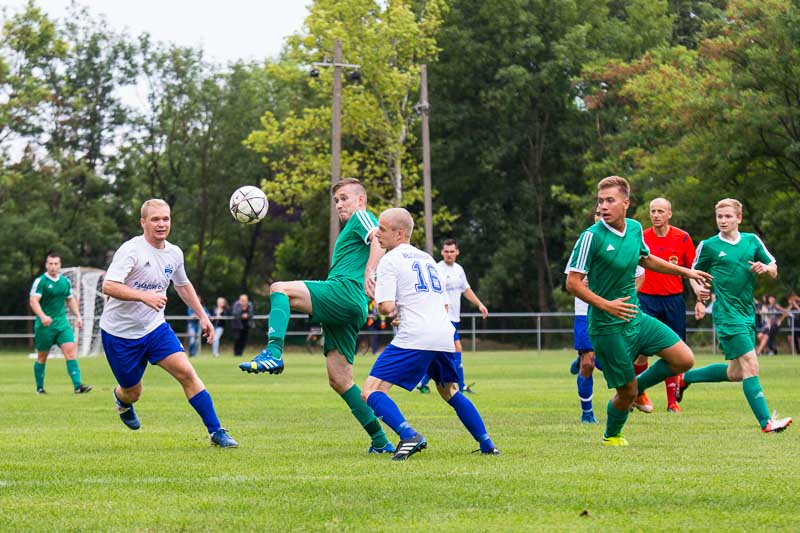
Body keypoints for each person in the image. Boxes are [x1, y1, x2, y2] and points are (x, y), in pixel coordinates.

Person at [239, 178, 394, 454]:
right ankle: (381, 441)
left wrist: (370, 271)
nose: (339, 205)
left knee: (279, 289)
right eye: (336, 201)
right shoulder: (351, 229)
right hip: (351, 304)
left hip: (344, 292)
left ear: (360, 200)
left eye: (344, 198)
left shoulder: (362, 217)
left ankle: (273, 352)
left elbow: (379, 242)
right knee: (340, 380)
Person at [566, 176, 712, 446]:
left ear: (626, 203)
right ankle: (612, 435)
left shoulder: (634, 229)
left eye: (610, 200)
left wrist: (686, 272)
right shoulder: (590, 237)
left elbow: (646, 259)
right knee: (626, 392)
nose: (603, 206)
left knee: (684, 359)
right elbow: (572, 283)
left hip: (636, 318)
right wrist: (607, 305)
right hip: (607, 328)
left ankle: (639, 386)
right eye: (600, 201)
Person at [362, 208, 499, 460]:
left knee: (371, 391)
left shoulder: (390, 261)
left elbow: (386, 307)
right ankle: (487, 444)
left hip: (416, 335)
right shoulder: (427, 259)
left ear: (399, 233)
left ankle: (408, 435)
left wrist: (375, 294)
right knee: (450, 391)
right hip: (443, 334)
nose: (377, 234)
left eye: (382, 229)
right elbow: (442, 305)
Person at [100, 199, 237, 447]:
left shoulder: (174, 253)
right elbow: (109, 286)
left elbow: (183, 285)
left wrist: (203, 316)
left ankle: (217, 432)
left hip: (155, 329)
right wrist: (144, 296)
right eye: (155, 219)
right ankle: (122, 401)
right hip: (120, 334)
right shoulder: (131, 250)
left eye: (166, 218)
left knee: (187, 373)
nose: (161, 224)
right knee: (133, 392)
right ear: (143, 222)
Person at [678, 198, 791, 433]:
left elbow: (773, 268)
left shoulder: (752, 241)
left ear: (739, 218)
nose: (723, 220)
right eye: (719, 216)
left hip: (747, 313)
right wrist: (698, 291)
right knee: (751, 363)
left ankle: (685, 378)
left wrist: (765, 268)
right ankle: (767, 422)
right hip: (727, 314)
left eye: (728, 216)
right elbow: (692, 273)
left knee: (736, 373)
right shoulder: (709, 245)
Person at [568, 209, 645, 424]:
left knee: (612, 362)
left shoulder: (627, 239)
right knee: (588, 364)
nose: (602, 214)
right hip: (586, 311)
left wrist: (627, 298)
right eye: (597, 212)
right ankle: (587, 414)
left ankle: (633, 393)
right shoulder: (588, 239)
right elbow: (572, 281)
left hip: (615, 312)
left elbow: (640, 274)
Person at [633, 197, 698, 413]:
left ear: (669, 214)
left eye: (660, 211)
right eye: (653, 211)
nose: (656, 215)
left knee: (674, 350)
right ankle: (637, 393)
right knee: (641, 351)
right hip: (646, 299)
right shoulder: (641, 237)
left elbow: (691, 271)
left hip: (673, 301)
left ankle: (672, 402)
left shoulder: (682, 238)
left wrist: (699, 296)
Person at [416, 239, 488, 394]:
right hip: (443, 317)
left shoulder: (459, 269)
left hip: (455, 318)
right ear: (442, 252)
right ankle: (460, 386)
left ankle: (422, 383)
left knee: (439, 353)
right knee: (457, 349)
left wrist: (479, 304)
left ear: (457, 252)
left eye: (452, 251)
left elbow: (466, 289)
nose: (449, 254)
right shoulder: (436, 269)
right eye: (446, 251)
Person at [29, 252, 92, 394]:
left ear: (60, 265)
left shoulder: (65, 282)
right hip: (45, 326)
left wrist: (78, 316)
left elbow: (70, 300)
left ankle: (78, 386)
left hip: (62, 324)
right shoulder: (41, 281)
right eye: (50, 264)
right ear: (46, 265)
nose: (53, 266)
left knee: (71, 353)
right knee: (42, 357)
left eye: (56, 264)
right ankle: (39, 388)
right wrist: (43, 316)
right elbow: (33, 301)